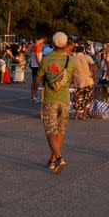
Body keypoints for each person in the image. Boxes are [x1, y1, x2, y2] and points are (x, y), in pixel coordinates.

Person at [35, 32, 74, 174]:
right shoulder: (71, 60)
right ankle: (52, 160)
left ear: (52, 42)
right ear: (65, 44)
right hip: (65, 100)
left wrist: (33, 91)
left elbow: (38, 78)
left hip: (50, 99)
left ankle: (58, 158)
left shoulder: (46, 60)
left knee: (51, 131)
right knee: (60, 131)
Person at [71, 43, 95, 121]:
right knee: (87, 99)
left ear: (76, 51)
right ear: (83, 51)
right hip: (88, 81)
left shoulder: (72, 59)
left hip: (78, 82)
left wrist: (72, 80)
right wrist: (93, 77)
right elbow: (94, 67)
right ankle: (84, 115)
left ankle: (76, 116)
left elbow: (71, 71)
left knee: (78, 99)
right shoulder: (87, 57)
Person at [29, 34, 47, 103]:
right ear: (42, 39)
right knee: (36, 82)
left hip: (33, 64)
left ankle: (33, 96)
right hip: (36, 65)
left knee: (34, 81)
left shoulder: (34, 45)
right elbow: (37, 57)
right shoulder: (37, 46)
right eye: (43, 41)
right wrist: (40, 65)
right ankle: (34, 96)